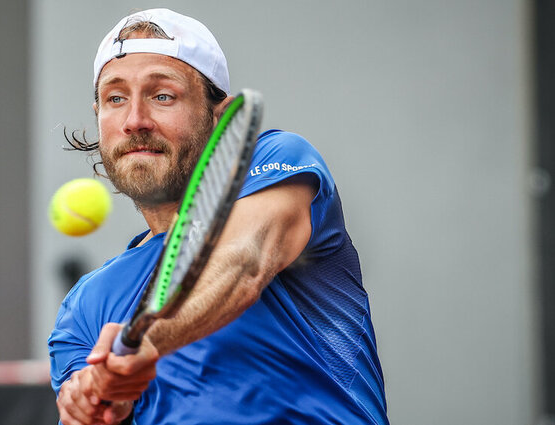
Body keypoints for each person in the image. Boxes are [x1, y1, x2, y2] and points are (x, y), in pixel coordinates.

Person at [49, 8, 389, 425]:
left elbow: (241, 262)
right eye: (115, 98)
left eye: (162, 96)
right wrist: (93, 405)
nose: (134, 120)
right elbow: (84, 410)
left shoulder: (278, 162)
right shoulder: (83, 306)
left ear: (220, 118)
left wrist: (149, 341)